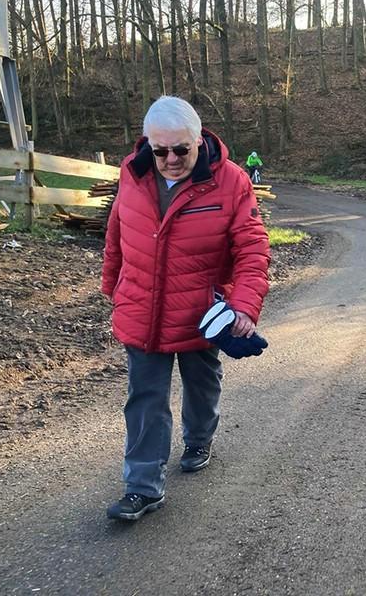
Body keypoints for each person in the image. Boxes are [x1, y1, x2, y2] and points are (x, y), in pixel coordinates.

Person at [101, 95, 270, 521]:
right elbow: (117, 232)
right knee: (145, 398)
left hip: (201, 310)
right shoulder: (132, 173)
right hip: (142, 306)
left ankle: (199, 438)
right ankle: (142, 487)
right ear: (147, 144)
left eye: (181, 149)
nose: (171, 160)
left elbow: (252, 249)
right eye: (161, 151)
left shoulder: (231, 181)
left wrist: (244, 306)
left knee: (201, 381)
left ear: (198, 141)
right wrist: (112, 286)